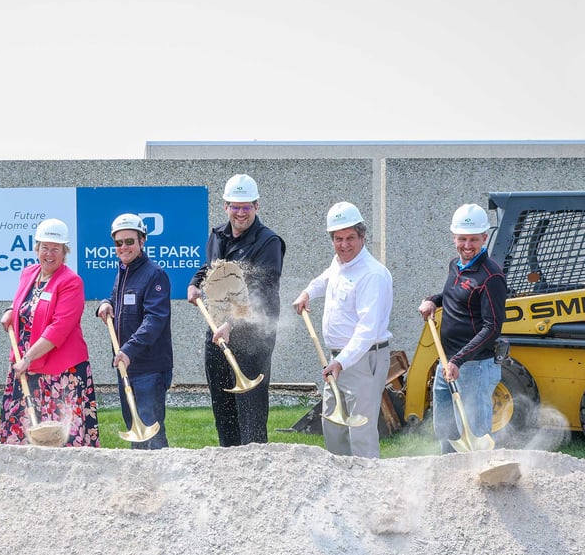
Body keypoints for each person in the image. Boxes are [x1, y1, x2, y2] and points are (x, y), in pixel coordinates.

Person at [187, 173, 286, 447]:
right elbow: (210, 268)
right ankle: (229, 467)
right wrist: (195, 284)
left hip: (251, 340)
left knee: (250, 412)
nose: (240, 213)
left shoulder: (269, 242)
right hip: (217, 333)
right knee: (223, 409)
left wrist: (231, 322)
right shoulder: (218, 234)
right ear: (225, 206)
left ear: (256, 206)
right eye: (235, 206)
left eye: (246, 206)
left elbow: (261, 291)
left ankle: (255, 469)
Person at [291, 202, 393, 458]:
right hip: (337, 360)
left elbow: (366, 331)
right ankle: (342, 486)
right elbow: (325, 278)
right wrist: (307, 293)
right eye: (338, 239)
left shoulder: (372, 275)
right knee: (332, 426)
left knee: (361, 431)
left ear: (362, 236)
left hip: (364, 359)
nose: (344, 245)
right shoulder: (340, 263)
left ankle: (368, 487)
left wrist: (342, 362)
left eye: (350, 238)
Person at [0, 217, 100, 447]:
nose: (49, 254)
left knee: (63, 439)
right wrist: (11, 310)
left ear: (65, 252)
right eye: (45, 247)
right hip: (28, 368)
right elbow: (27, 305)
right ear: (36, 248)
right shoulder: (29, 274)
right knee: (22, 434)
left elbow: (58, 328)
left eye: (56, 249)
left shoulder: (71, 282)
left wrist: (28, 357)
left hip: (61, 374)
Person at [418, 203, 507, 454]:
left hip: (474, 368)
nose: (467, 246)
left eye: (473, 240)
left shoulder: (491, 277)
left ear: (484, 238)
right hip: (448, 363)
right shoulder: (455, 266)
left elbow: (492, 327)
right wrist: (433, 301)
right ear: (454, 237)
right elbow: (451, 296)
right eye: (462, 239)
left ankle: (480, 483)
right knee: (445, 430)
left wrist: (458, 360)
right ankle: (449, 479)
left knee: (475, 435)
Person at [96, 213, 173, 449]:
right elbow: (119, 300)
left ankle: (162, 480)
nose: (124, 247)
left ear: (142, 241)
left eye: (129, 241)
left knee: (151, 433)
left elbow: (155, 319)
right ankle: (140, 482)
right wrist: (106, 303)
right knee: (135, 430)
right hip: (127, 367)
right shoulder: (123, 271)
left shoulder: (154, 274)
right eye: (118, 243)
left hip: (148, 369)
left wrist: (128, 350)